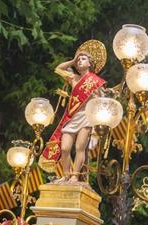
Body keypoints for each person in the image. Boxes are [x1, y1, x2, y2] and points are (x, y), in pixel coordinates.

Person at [43, 40, 108, 183]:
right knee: (65, 148)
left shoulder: (95, 81)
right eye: (78, 59)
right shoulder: (74, 78)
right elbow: (58, 69)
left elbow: (102, 100)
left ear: (90, 63)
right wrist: (73, 60)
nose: (79, 61)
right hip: (72, 116)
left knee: (79, 147)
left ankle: (75, 175)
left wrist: (96, 95)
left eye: (83, 58)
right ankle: (66, 174)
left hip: (86, 117)